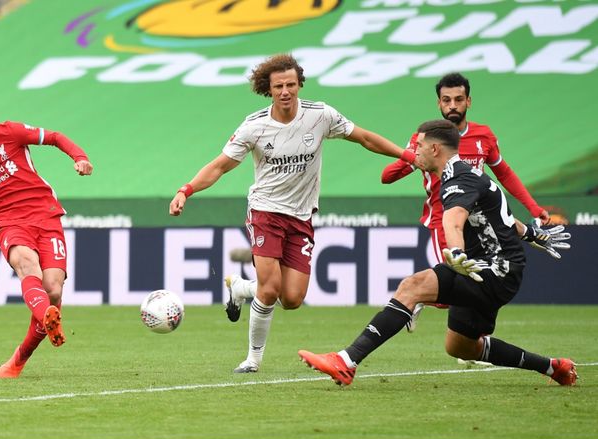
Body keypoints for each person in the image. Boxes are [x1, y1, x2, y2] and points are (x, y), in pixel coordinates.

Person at [169, 54, 417, 374]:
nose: (285, 91)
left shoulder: (320, 115)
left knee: (293, 299)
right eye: (278, 86)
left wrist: (406, 155)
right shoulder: (255, 126)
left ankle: (240, 288)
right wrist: (185, 190)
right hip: (265, 211)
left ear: (299, 84)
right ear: (268, 90)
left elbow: (365, 138)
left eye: (290, 84)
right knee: (270, 289)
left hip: (301, 217)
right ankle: (253, 360)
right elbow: (220, 166)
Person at [298, 119, 575, 387]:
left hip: (492, 270)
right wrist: (529, 233)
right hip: (494, 270)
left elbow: (452, 220)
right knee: (461, 347)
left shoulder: (457, 179)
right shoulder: (468, 173)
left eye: (418, 145)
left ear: (434, 149)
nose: (414, 151)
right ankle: (553, 367)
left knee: (412, 286)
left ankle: (346, 361)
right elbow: (498, 220)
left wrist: (455, 251)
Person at [381, 72, 550, 333]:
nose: (452, 106)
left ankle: (470, 340)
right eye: (446, 100)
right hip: (444, 219)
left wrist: (534, 208)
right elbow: (387, 176)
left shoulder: (483, 136)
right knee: (456, 279)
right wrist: (411, 157)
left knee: (476, 282)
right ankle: (414, 299)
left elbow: (504, 172)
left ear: (468, 101)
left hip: (479, 224)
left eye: (458, 99)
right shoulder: (426, 140)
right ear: (439, 103)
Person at [0, 90, 93, 378]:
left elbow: (55, 137)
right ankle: (48, 318)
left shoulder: (11, 133)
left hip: (46, 214)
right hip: (9, 223)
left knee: (53, 290)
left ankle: (21, 356)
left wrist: (80, 157)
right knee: (26, 263)